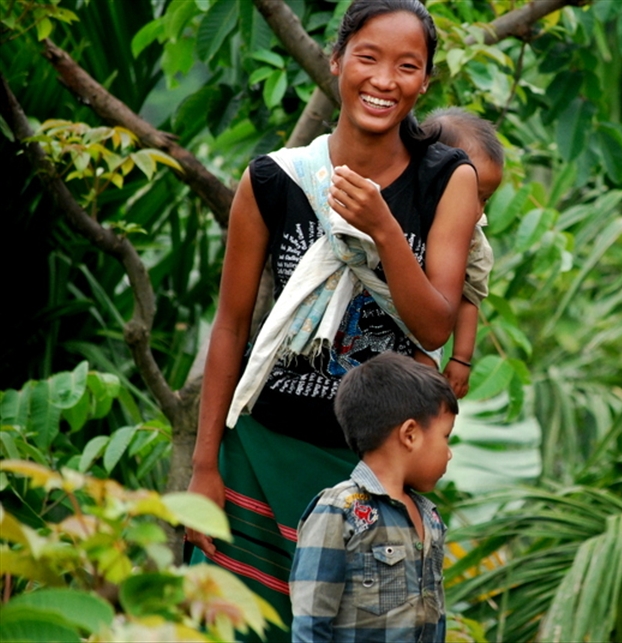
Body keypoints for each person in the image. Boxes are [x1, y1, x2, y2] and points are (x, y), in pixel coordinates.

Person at [184, 0, 477, 638]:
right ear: (337, 60)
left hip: (371, 470)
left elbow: (434, 327)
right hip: (261, 455)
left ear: (425, 81)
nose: (383, 80)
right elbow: (231, 328)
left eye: (407, 66)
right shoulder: (274, 180)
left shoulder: (446, 180)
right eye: (367, 58)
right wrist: (204, 468)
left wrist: (384, 231)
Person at [289, 351, 457, 642]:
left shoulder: (430, 516)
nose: (449, 452)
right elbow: (311, 622)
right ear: (410, 435)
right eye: (445, 437)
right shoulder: (339, 510)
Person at [418, 108, 504, 398]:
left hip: (424, 340)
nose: (478, 209)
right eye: (471, 191)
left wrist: (461, 358)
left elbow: (470, 298)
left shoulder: (473, 240)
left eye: (486, 198)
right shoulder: (402, 208)